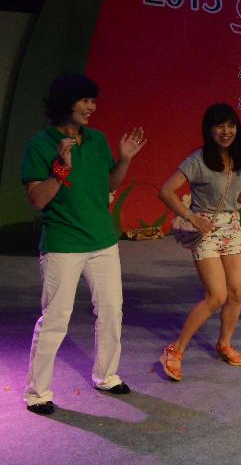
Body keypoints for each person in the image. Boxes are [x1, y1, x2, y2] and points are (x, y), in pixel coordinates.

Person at [21, 74, 145, 414]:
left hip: (102, 241)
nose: (91, 107)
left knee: (110, 311)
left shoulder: (98, 139)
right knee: (56, 317)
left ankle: (106, 375)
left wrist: (124, 160)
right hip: (64, 243)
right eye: (84, 100)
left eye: (93, 100)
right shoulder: (40, 144)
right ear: (65, 102)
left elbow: (108, 185)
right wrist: (61, 168)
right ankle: (37, 392)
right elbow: (38, 199)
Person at [159, 103, 241, 380]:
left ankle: (224, 343)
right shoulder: (197, 160)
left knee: (235, 292)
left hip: (232, 227)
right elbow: (166, 191)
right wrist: (192, 218)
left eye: (231, 125)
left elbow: (239, 193)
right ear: (209, 130)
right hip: (205, 229)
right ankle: (175, 350)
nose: (226, 131)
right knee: (216, 295)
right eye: (219, 126)